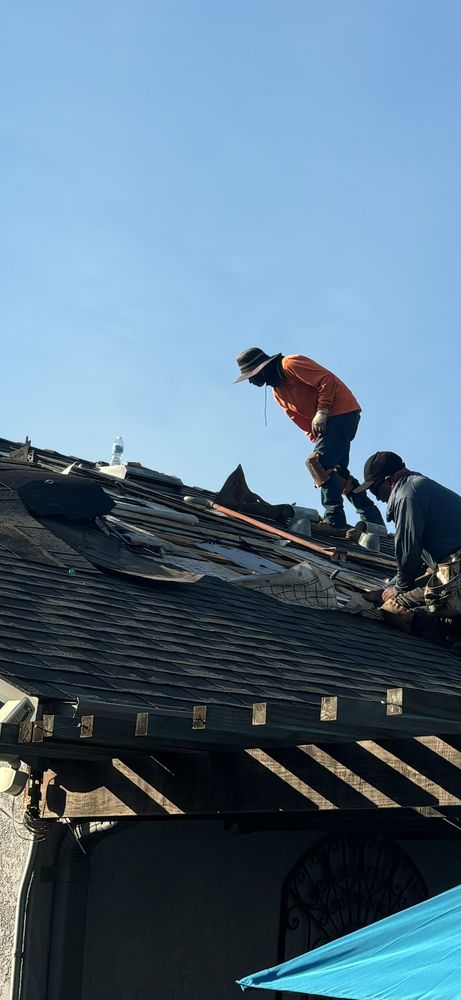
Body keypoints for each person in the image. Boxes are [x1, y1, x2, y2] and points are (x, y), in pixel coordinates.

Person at [234, 347, 384, 535]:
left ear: (261, 368)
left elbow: (326, 380)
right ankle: (372, 518)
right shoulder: (278, 393)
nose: (251, 381)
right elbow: (301, 421)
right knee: (336, 473)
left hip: (341, 413)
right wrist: (317, 439)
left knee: (317, 463)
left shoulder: (290, 363)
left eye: (251, 375)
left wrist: (323, 410)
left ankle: (334, 520)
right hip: (330, 423)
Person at [354, 451, 461, 626]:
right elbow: (417, 561)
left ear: (389, 480)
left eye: (375, 489)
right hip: (453, 570)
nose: (376, 497)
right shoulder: (418, 485)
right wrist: (387, 588)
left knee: (393, 609)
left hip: (456, 573)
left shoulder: (405, 495)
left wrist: (398, 590)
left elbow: (408, 551)